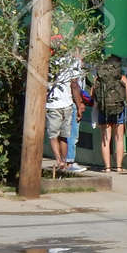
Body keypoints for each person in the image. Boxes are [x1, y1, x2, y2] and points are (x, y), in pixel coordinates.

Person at [45, 37, 83, 178]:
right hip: (67, 104)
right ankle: (66, 163)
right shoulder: (71, 62)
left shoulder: (48, 61)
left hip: (52, 104)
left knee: (53, 135)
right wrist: (78, 105)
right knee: (65, 136)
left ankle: (59, 160)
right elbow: (74, 85)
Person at [91, 53, 127, 173]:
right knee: (119, 138)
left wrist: (95, 110)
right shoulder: (122, 78)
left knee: (105, 139)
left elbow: (93, 97)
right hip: (119, 110)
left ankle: (107, 168)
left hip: (103, 110)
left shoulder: (98, 79)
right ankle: (119, 167)